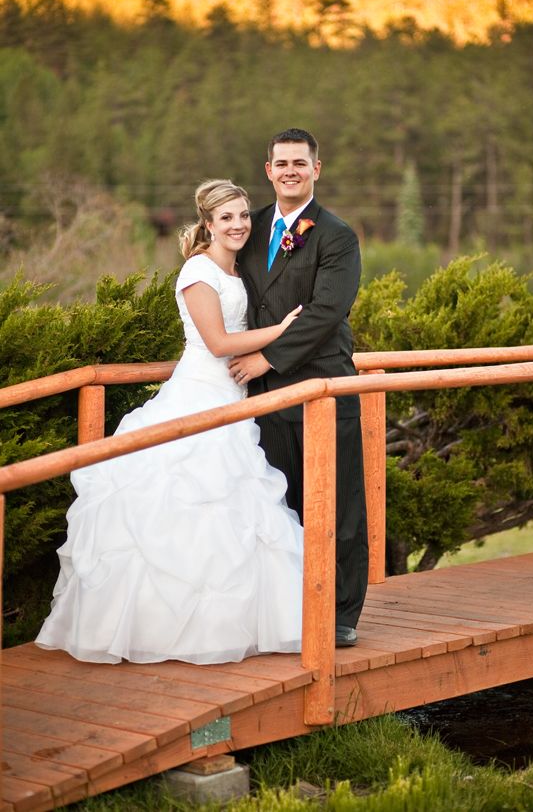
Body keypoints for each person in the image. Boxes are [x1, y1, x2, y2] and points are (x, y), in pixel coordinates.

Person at [36, 179, 304, 665]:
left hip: (231, 397)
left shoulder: (237, 268)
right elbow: (220, 343)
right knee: (189, 504)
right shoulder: (198, 272)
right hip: (198, 396)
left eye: (244, 215)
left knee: (236, 512)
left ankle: (232, 627)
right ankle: (167, 632)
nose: (239, 224)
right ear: (208, 224)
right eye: (227, 218)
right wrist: (282, 332)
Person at [231, 128, 369, 648]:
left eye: (300, 163)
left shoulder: (336, 235)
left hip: (320, 385)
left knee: (335, 504)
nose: (290, 170)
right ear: (267, 171)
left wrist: (267, 354)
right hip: (261, 395)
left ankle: (341, 613)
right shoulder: (251, 226)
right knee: (277, 500)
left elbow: (327, 312)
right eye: (281, 163)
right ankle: (286, 607)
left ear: (317, 169)